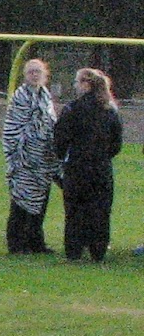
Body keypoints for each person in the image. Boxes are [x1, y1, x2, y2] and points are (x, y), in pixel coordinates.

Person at [52, 67, 123, 262]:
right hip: (101, 167)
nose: (75, 85)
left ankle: (74, 250)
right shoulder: (110, 110)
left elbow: (60, 139)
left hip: (77, 166)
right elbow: (116, 144)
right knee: (100, 210)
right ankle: (98, 250)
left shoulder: (72, 109)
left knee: (75, 210)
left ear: (86, 84)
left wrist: (62, 157)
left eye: (77, 82)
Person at [2, 58, 60, 254]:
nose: (34, 75)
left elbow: (50, 122)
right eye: (31, 72)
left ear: (45, 74)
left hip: (44, 159)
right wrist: (20, 154)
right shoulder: (21, 96)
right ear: (25, 75)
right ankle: (16, 243)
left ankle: (36, 242)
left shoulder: (45, 95)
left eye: (38, 71)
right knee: (21, 201)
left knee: (40, 201)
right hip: (24, 158)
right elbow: (13, 127)